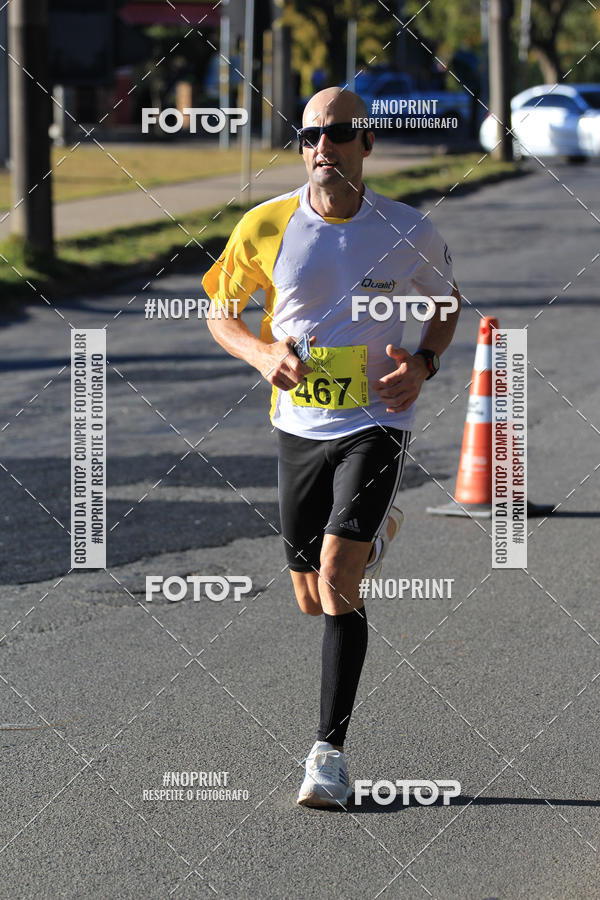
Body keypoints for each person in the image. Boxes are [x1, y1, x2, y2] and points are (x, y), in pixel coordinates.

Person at [202, 87, 461, 808]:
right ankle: (373, 541)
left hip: (377, 420)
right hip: (299, 426)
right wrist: (260, 356)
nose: (324, 146)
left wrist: (424, 363)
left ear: (367, 144)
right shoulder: (266, 225)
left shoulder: (407, 228)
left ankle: (328, 757)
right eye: (310, 133)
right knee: (312, 598)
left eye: (340, 133)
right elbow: (220, 315)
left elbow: (445, 303)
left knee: (338, 575)